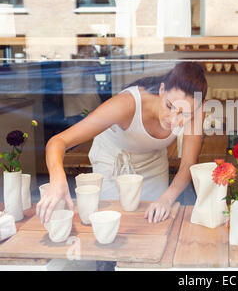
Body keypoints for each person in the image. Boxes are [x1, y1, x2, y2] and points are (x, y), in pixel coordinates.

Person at [37, 62, 207, 224]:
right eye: (169, 106)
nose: (174, 120)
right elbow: (58, 141)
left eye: (185, 114)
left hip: (153, 163)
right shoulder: (127, 104)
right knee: (114, 224)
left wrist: (166, 199)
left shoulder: (196, 110)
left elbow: (187, 164)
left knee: (155, 222)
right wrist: (57, 178)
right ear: (162, 90)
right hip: (114, 163)